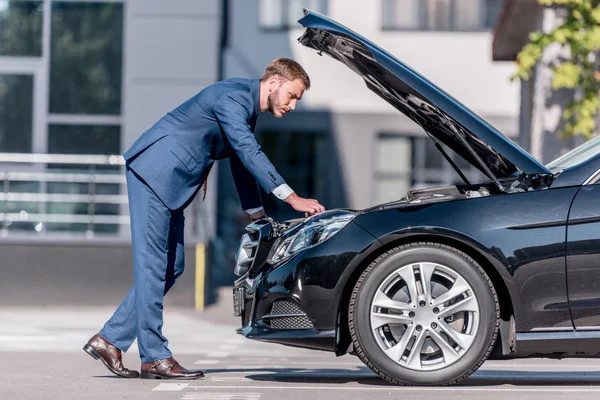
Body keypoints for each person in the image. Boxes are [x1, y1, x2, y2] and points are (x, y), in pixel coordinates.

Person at [82, 58, 325, 380]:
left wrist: (258, 215)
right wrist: (290, 197)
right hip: (156, 174)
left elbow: (241, 163)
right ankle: (155, 356)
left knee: (172, 266)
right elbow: (248, 151)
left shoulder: (246, 108)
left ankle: (109, 339)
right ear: (274, 83)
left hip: (170, 183)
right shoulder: (233, 98)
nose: (293, 104)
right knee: (153, 266)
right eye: (292, 95)